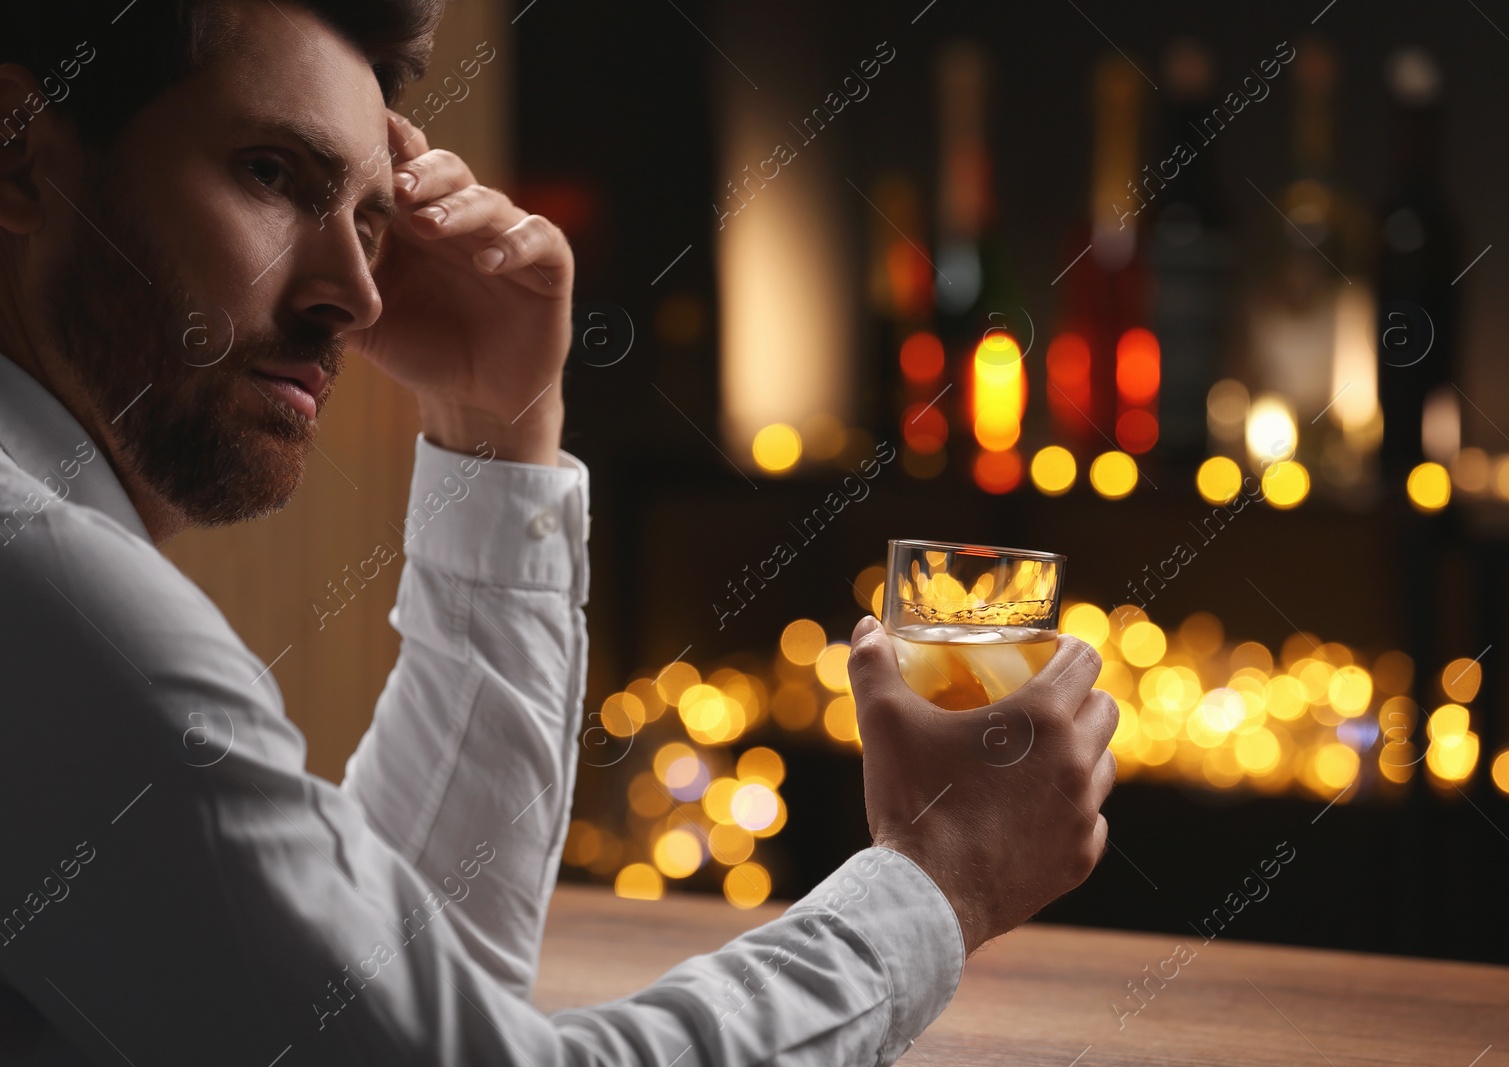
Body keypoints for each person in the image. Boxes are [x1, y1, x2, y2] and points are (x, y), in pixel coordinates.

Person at [0, 2, 1119, 1062]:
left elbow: (401, 995)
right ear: (18, 157)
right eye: (272, 175)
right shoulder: (56, 597)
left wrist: (496, 432)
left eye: (373, 221)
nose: (357, 289)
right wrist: (937, 883)